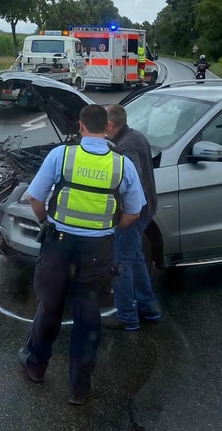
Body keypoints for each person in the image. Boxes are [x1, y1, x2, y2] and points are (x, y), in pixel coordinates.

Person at [18, 104, 146, 405]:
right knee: (87, 315)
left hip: (58, 244)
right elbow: (134, 212)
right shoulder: (121, 164)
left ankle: (35, 366)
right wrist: (108, 229)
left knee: (49, 306)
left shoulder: (61, 156)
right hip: (97, 251)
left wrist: (45, 222)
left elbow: (36, 198)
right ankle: (79, 388)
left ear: (80, 126)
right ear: (107, 128)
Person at [103, 104, 161, 331]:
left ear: (110, 124)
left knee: (121, 265)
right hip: (145, 210)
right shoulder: (136, 136)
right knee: (135, 259)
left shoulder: (125, 145)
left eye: (104, 125)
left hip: (132, 214)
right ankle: (149, 308)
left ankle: (127, 317)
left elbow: (131, 177)